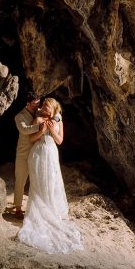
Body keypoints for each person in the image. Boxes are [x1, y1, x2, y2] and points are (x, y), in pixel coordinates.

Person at [17, 97, 83, 253]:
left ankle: (51, 210)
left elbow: (59, 141)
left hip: (51, 153)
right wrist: (42, 130)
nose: (43, 108)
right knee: (38, 183)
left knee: (51, 182)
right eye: (43, 106)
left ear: (53, 109)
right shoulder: (38, 118)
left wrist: (52, 129)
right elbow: (32, 139)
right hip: (38, 153)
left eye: (47, 106)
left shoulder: (58, 121)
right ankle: (36, 211)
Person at [8, 93, 43, 218]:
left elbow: (54, 112)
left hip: (38, 152)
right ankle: (18, 208)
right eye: (35, 102)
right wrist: (41, 126)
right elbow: (25, 130)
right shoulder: (19, 116)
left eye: (38, 102)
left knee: (38, 180)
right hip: (23, 153)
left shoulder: (39, 112)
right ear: (28, 103)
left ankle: (37, 208)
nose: (38, 104)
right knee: (21, 180)